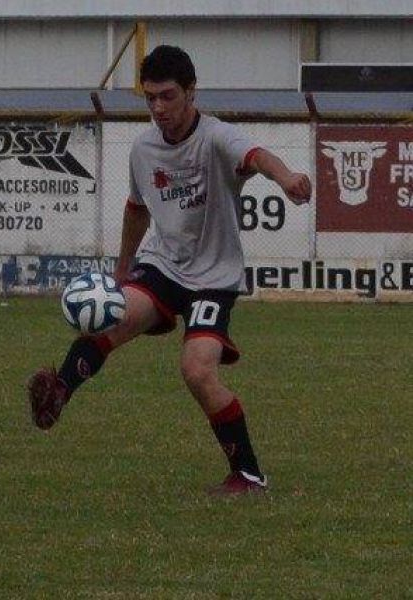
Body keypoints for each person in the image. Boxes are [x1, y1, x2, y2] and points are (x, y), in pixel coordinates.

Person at [28, 46, 311, 495]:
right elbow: (137, 210)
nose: (158, 108)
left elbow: (257, 155)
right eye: (150, 98)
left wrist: (288, 177)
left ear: (191, 92)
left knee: (198, 372)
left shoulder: (217, 138)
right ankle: (60, 390)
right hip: (163, 266)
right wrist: (122, 273)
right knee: (114, 317)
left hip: (214, 279)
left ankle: (249, 475)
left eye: (167, 96)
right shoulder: (144, 149)